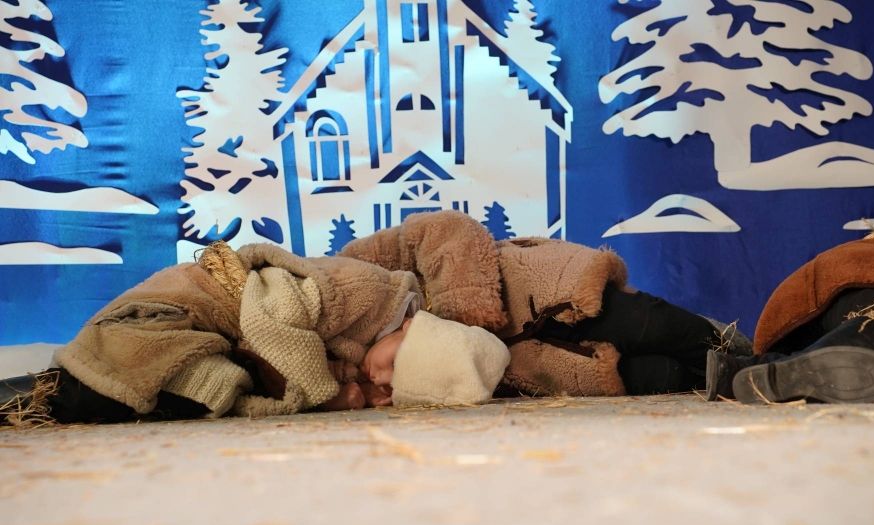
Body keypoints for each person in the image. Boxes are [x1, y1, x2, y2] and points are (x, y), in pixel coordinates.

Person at [0, 242, 510, 425]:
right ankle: (33, 397)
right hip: (190, 305)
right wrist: (328, 395)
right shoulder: (367, 293)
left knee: (200, 390)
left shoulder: (379, 340)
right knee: (122, 379)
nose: (381, 377)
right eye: (394, 365)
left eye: (394, 386)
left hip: (221, 336)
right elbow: (273, 318)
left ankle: (49, 396)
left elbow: (315, 355)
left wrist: (363, 387)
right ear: (411, 324)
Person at [339, 210, 748, 398]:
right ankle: (737, 379)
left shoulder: (359, 280)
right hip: (524, 364)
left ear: (409, 327)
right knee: (658, 376)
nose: (382, 378)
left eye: (393, 365)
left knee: (647, 324)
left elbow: (444, 228)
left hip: (531, 292)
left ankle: (742, 353)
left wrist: (460, 316)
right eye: (387, 381)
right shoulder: (347, 366)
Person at [705, 223, 874, 404]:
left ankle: (735, 372)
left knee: (810, 359)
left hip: (794, 328)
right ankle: (809, 367)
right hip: (867, 289)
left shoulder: (871, 243)